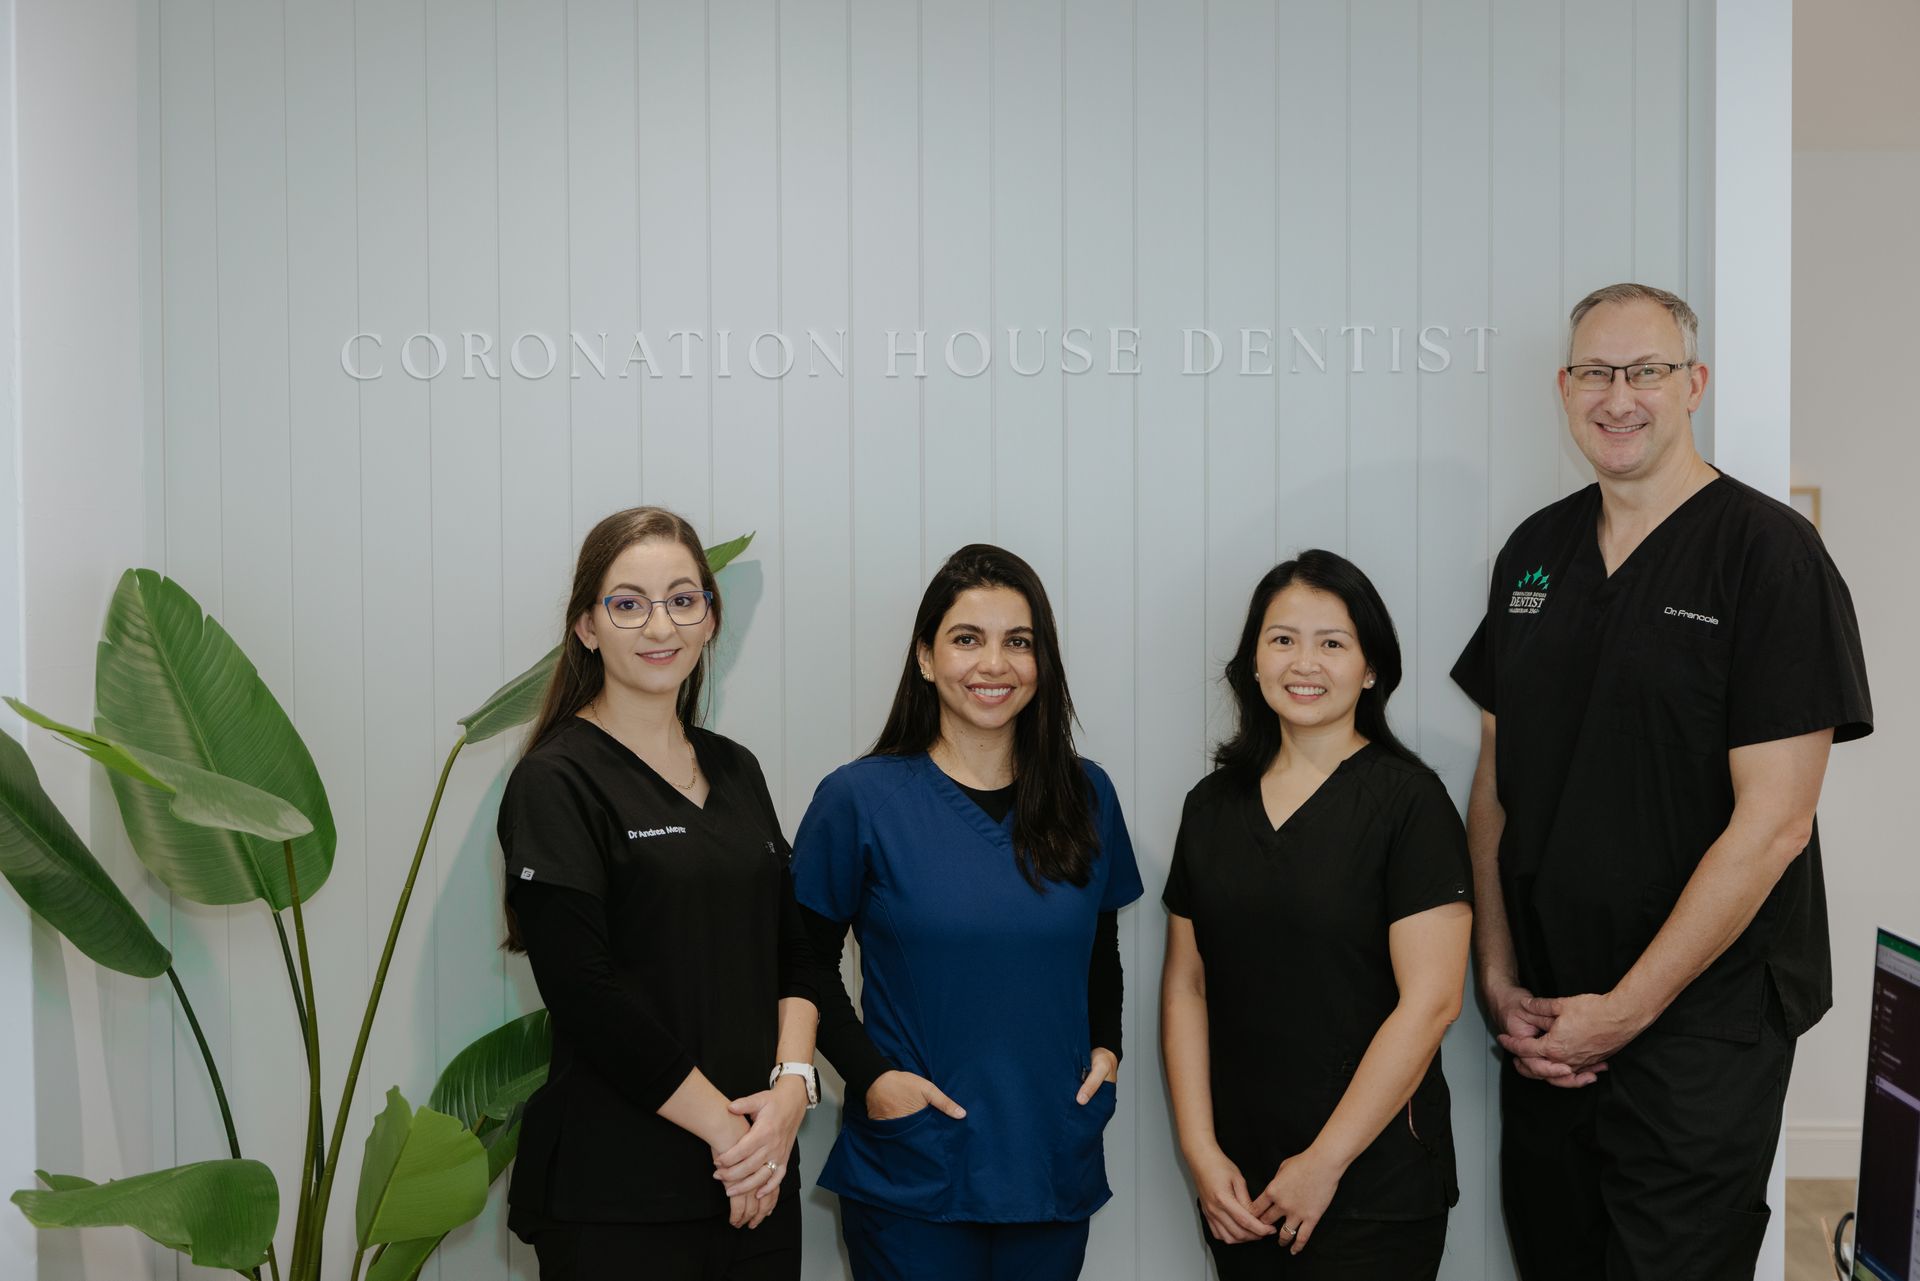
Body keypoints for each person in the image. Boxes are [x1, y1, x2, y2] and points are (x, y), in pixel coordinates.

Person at [1452, 283, 1873, 1281]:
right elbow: (1495, 788)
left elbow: (1776, 823)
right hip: (1551, 1022)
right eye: (1596, 371)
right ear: (1564, 388)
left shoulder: (1768, 555)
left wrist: (1631, 1007)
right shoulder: (1535, 555)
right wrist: (1498, 974)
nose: (1620, 395)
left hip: (1700, 1026)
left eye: (1647, 371)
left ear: (1695, 385)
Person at [790, 543, 1144, 1281]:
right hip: (917, 1166)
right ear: (925, 657)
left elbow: (1098, 944)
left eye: (1019, 641)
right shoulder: (860, 800)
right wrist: (871, 1077)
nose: (995, 663)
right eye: (966, 639)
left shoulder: (1089, 795)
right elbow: (802, 959)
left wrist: (1106, 1051)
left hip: (1049, 1153)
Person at [496, 506, 824, 1281]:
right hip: (621, 1196)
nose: (659, 625)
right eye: (628, 602)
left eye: (683, 598)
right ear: (586, 625)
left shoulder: (737, 769)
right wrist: (733, 1136)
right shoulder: (555, 780)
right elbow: (587, 995)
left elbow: (798, 954)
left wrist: (790, 1096)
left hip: (756, 1187)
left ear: (710, 618)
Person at [1162, 551, 1473, 1281]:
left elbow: (1432, 1002)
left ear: (1370, 669)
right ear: (1255, 662)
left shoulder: (1411, 803)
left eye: (1333, 642)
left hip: (1375, 1185)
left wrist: (1323, 1163)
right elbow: (1187, 986)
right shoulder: (1210, 808)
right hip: (1242, 1185)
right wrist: (1201, 1151)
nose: (1305, 662)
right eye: (1282, 639)